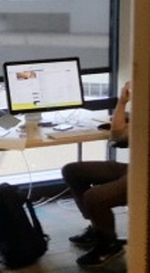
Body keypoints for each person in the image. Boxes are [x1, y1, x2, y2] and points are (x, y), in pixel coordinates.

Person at [61, 81, 131, 268]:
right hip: (135, 168)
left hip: (143, 176)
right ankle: (98, 228)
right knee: (72, 171)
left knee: (94, 197)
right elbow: (118, 136)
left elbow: (120, 136)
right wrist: (122, 101)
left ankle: (108, 245)